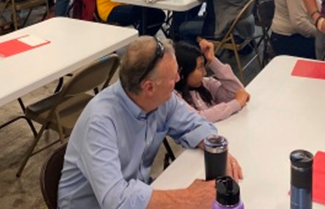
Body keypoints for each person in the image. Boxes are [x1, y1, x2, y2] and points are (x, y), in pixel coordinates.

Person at [58, 36, 243, 209]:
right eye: (173, 77)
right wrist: (189, 197)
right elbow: (116, 200)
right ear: (149, 87)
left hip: (136, 193)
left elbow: (194, 124)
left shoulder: (161, 99)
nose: (178, 79)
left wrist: (216, 149)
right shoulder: (99, 122)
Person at [174, 39, 250, 123]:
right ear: (182, 72)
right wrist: (236, 103)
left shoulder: (204, 83)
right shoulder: (174, 98)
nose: (204, 73)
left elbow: (237, 92)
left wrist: (212, 60)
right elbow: (198, 118)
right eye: (200, 67)